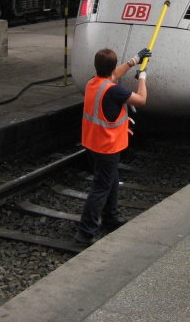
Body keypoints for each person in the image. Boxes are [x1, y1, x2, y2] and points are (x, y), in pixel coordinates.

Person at [75, 46, 151, 245]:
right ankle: (85, 232)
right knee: (100, 187)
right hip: (107, 147)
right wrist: (142, 77)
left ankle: (111, 217)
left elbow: (114, 75)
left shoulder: (93, 83)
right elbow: (141, 100)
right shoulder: (114, 91)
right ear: (112, 66)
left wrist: (134, 60)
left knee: (111, 180)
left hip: (93, 143)